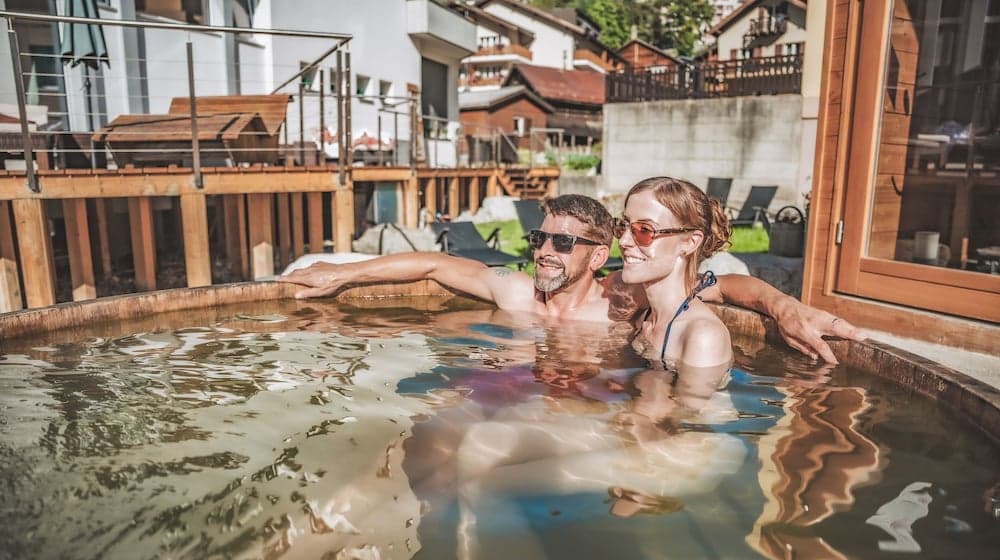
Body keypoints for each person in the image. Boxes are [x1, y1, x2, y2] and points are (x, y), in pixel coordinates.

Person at [280, 193, 863, 364]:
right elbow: (434, 264)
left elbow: (725, 287)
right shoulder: (515, 291)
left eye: (563, 243)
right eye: (540, 239)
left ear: (597, 254)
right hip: (505, 387)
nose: (545, 252)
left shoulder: (621, 298)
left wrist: (784, 306)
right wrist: (342, 274)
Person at [616, 176, 734, 397]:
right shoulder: (644, 317)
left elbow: (688, 415)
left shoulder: (703, 336)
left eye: (644, 230)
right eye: (623, 226)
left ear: (689, 242)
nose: (623, 241)